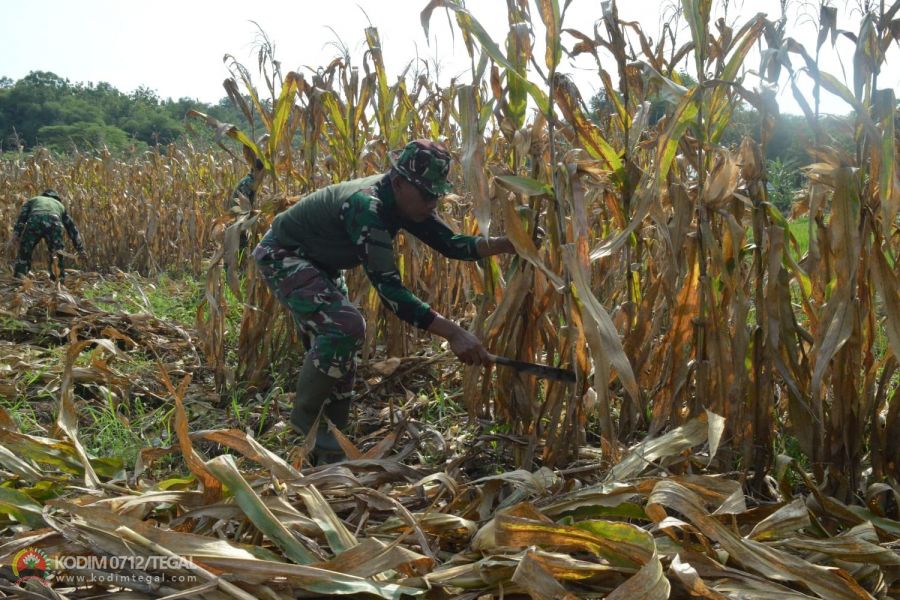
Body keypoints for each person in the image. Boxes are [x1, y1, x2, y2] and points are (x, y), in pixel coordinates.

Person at [253, 139, 518, 463]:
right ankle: (302, 430)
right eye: (427, 195)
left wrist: (507, 244)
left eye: (437, 194)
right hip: (283, 254)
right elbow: (390, 292)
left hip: (319, 263)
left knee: (342, 340)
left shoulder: (405, 202)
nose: (433, 203)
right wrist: (454, 333)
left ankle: (331, 438)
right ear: (399, 181)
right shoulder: (369, 207)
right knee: (344, 327)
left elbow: (451, 244)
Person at [12, 189, 86, 280]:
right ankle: (58, 281)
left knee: (25, 250)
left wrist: (16, 233)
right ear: (56, 197)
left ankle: (20, 278)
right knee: (57, 253)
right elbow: (72, 228)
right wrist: (80, 249)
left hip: (35, 221)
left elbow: (22, 218)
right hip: (54, 222)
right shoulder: (60, 205)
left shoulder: (34, 199)